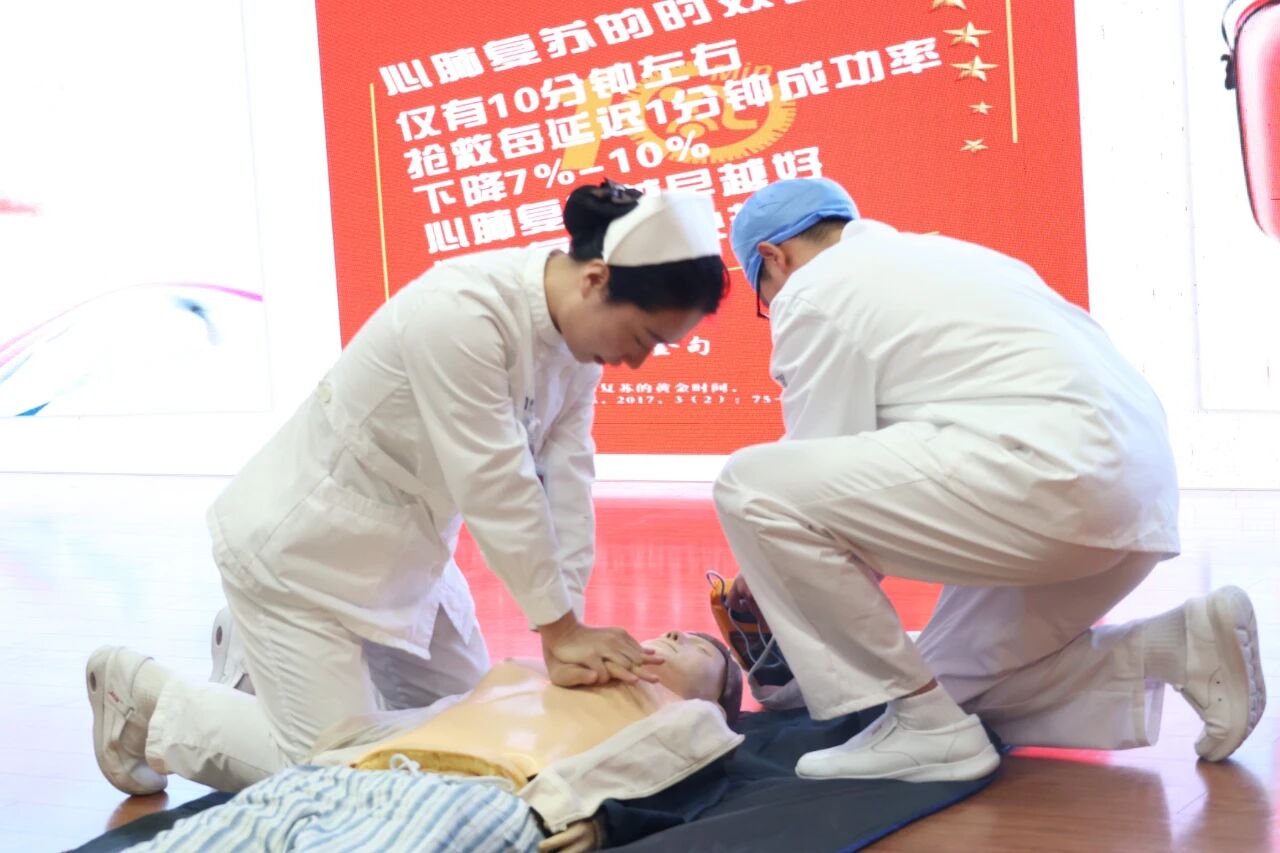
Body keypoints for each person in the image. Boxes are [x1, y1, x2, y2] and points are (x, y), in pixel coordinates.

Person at [85, 181, 730, 796]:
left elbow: (568, 480)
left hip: (407, 550)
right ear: (596, 281)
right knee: (339, 773)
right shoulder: (462, 312)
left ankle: (256, 664)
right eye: (643, 339)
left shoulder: (576, 343)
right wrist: (558, 630)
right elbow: (496, 482)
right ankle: (141, 696)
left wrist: (572, 624)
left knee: (476, 731)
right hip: (297, 549)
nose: (636, 361)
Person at [713, 177, 1265, 782]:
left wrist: (773, 588)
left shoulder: (814, 289)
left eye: (764, 295)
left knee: (749, 487)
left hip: (1048, 483)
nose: (774, 305)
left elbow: (812, 480)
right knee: (946, 691)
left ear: (773, 257)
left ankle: (928, 729)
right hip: (1135, 501)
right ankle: (1178, 646)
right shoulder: (954, 256)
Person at [115, 631, 746, 853]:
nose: (669, 637)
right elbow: (426, 716)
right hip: (346, 774)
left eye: (694, 645)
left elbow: (668, 769)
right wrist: (335, 757)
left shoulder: (687, 715)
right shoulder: (531, 671)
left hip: (473, 793)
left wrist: (590, 818)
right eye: (670, 629)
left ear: (716, 698)